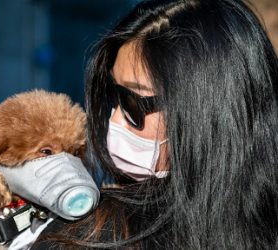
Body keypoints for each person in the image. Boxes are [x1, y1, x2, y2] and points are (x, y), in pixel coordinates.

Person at [31, 0, 278, 249]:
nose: (114, 120)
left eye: (132, 101)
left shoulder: (90, 235)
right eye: (112, 95)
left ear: (205, 111)